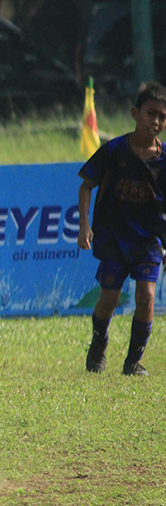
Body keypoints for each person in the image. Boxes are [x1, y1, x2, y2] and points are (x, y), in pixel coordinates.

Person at [78, 81, 166, 376]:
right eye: (151, 113)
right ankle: (98, 344)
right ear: (134, 113)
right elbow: (86, 185)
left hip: (149, 241)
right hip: (114, 239)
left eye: (162, 117)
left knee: (147, 297)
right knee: (110, 299)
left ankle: (133, 362)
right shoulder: (114, 151)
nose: (156, 121)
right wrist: (84, 226)